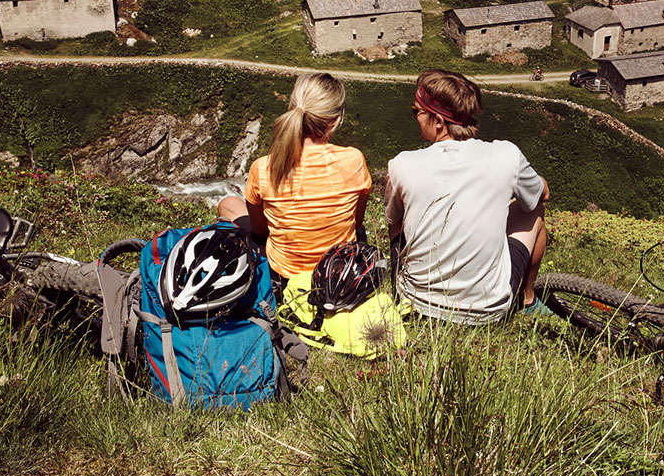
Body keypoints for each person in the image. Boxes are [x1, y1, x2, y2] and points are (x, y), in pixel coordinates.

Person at [385, 69, 549, 324]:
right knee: (533, 209)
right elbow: (541, 195)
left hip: (416, 305)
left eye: (416, 111)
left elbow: (393, 220)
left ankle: (405, 283)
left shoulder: (401, 165)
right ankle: (527, 301)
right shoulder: (506, 156)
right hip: (488, 312)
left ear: (438, 121)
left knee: (397, 216)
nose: (415, 116)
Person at [218, 73, 371, 280]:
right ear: (335, 121)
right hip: (335, 274)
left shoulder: (263, 167)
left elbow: (260, 232)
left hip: (285, 275)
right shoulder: (354, 160)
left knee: (227, 204)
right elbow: (356, 221)